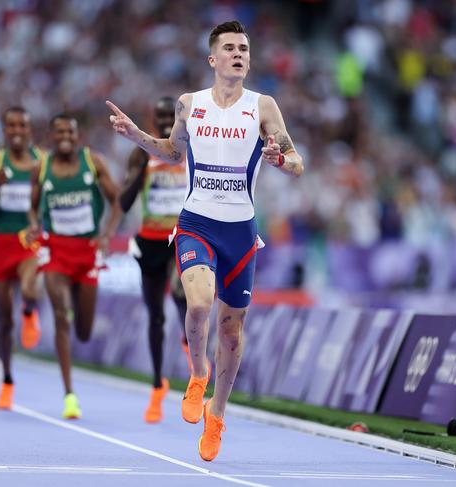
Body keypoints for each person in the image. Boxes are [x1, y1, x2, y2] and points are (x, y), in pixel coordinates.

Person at [107, 20, 304, 461]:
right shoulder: (189, 104)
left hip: (240, 233)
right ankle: (198, 373)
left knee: (232, 330)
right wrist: (136, 135)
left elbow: (297, 162)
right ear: (213, 59)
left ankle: (216, 414)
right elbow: (173, 152)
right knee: (198, 304)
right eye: (231, 48)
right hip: (197, 221)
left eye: (245, 49)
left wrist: (279, 159)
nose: (240, 54)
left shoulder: (263, 106)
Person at [29, 113, 121, 419]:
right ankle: (69, 395)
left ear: (77, 134)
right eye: (59, 132)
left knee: (83, 330)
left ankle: (71, 317)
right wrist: (33, 225)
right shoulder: (41, 168)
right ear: (52, 136)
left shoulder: (93, 162)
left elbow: (116, 201)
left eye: (70, 131)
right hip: (56, 250)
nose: (65, 136)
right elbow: (32, 206)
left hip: (87, 251)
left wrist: (107, 234)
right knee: (60, 316)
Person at [119, 96, 190, 424]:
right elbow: (124, 201)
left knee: (182, 295)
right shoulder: (142, 151)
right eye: (159, 116)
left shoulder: (191, 150)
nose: (165, 123)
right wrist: (143, 166)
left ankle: (190, 344)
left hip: (182, 238)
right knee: (156, 317)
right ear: (153, 118)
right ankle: (157, 385)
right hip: (149, 240)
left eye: (169, 117)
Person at [0, 106, 43, 410]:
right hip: (1, 242)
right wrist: (0, 184)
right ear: (4, 130)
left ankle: (30, 311)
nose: (17, 131)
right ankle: (6, 381)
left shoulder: (41, 161)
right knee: (4, 317)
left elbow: (48, 202)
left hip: (27, 240)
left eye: (23, 125)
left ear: (30, 130)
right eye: (11, 125)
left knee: (30, 287)